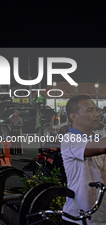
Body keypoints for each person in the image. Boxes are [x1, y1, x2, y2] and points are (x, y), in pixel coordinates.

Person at [61, 95, 106, 225]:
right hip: (78, 218)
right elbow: (101, 147)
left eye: (96, 110)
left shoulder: (97, 138)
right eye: (90, 111)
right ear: (73, 117)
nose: (97, 114)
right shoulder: (69, 139)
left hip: (100, 216)